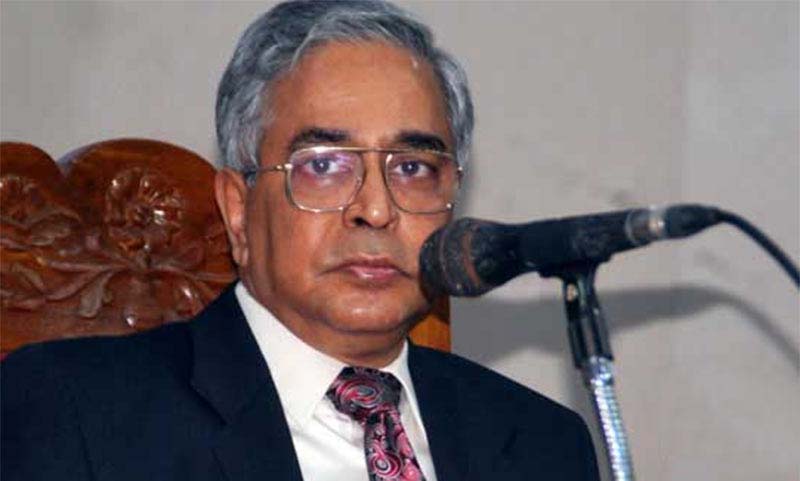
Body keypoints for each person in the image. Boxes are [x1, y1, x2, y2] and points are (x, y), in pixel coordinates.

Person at [1, 1, 600, 480]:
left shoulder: (543, 444)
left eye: (413, 168)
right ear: (238, 210)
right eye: (324, 165)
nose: (375, 209)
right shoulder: (73, 410)